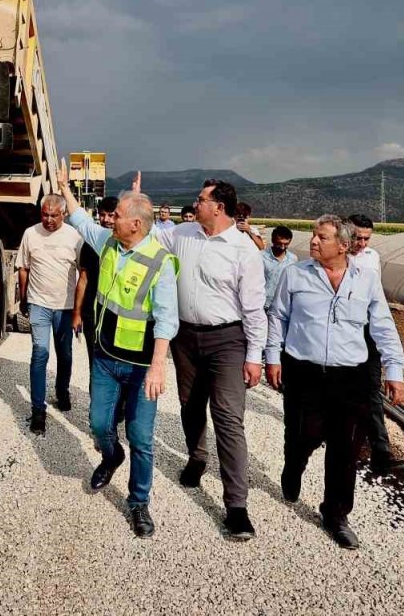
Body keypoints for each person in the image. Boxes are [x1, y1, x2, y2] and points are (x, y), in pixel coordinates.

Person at [137, 173, 267, 540]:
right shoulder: (182, 235)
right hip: (185, 337)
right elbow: (147, 233)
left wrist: (254, 355)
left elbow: (255, 310)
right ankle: (196, 456)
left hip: (228, 340)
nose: (195, 204)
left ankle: (236, 506)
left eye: (201, 199)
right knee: (189, 405)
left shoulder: (244, 251)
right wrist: (137, 201)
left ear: (219, 207)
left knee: (228, 417)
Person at [265, 215, 404, 550]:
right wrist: (273, 356)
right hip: (305, 372)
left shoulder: (366, 278)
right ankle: (294, 465)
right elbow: (278, 316)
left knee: (346, 447)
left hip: (350, 375)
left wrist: (395, 371)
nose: (313, 242)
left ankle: (336, 514)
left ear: (343, 246)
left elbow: (383, 325)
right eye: (313, 236)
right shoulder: (295, 274)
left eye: (321, 237)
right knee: (305, 434)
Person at [60, 161, 179, 539]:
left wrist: (159, 367)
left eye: (119, 216)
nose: (111, 220)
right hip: (106, 359)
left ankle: (138, 502)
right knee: (98, 425)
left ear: (137, 225)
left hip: (143, 366)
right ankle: (111, 457)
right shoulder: (109, 243)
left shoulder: (160, 263)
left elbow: (167, 320)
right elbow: (81, 221)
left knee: (142, 437)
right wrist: (65, 188)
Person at [15, 194, 86, 435]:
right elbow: (23, 268)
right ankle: (38, 409)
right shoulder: (30, 234)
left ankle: (62, 391)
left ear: (64, 214)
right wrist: (23, 298)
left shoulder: (75, 237)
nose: (48, 220)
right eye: (44, 214)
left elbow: (83, 277)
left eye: (53, 215)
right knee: (39, 353)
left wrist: (78, 310)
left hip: (65, 308)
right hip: (39, 304)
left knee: (64, 355)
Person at [346, 213, 404, 475]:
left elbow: (377, 301)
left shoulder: (373, 259)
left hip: (367, 329)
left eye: (366, 239)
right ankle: (344, 440)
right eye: (357, 238)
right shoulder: (335, 258)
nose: (361, 243)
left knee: (371, 390)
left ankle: (381, 452)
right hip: (342, 332)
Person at [79, 196, 119, 367]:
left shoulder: (130, 244)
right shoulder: (90, 243)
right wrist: (77, 313)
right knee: (94, 361)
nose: (106, 220)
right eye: (103, 215)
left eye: (111, 215)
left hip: (117, 313)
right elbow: (83, 280)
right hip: (92, 311)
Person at [261, 225, 297, 311]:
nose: (282, 247)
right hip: (262, 304)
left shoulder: (293, 259)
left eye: (286, 244)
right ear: (273, 240)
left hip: (282, 306)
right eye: (279, 243)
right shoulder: (261, 256)